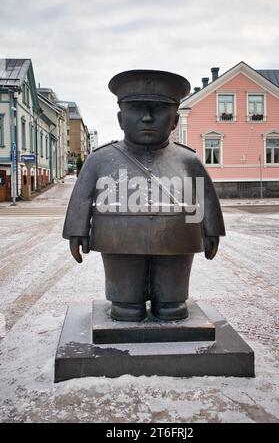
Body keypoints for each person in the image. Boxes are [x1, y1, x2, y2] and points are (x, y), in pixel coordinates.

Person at [63, 69, 225, 322]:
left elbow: (204, 194)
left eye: (158, 110)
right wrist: (76, 230)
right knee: (126, 306)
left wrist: (212, 229)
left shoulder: (188, 160)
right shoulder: (100, 159)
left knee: (172, 304)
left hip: (177, 238)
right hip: (119, 239)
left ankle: (170, 300)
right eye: (137, 109)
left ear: (174, 121)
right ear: (120, 118)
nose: (147, 118)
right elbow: (82, 197)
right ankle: (127, 302)